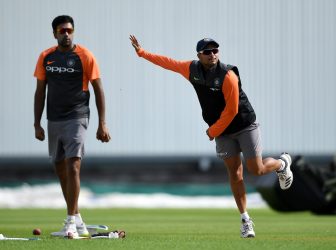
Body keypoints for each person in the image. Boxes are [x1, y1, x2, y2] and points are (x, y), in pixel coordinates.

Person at [129, 35, 293, 238]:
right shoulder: (191, 69)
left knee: (256, 169)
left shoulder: (227, 75)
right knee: (235, 174)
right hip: (223, 131)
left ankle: (281, 164)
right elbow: (168, 63)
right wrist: (142, 53)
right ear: (199, 55)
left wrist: (212, 131)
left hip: (244, 125)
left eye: (215, 50)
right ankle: (246, 220)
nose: (212, 54)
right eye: (207, 51)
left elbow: (232, 110)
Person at [34, 15, 111, 238]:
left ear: (73, 32)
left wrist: (102, 123)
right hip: (54, 119)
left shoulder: (85, 56)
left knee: (73, 164)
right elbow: (40, 91)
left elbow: (98, 89)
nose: (66, 34)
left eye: (69, 30)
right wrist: (37, 123)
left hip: (77, 117)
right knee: (60, 169)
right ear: (55, 34)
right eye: (61, 31)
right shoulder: (46, 57)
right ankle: (76, 218)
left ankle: (69, 220)